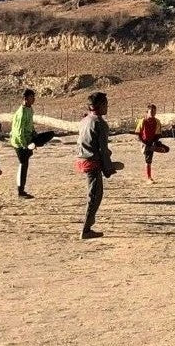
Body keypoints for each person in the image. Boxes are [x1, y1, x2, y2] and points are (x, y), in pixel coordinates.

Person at [75, 92, 122, 240]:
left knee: (95, 194)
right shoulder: (100, 123)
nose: (107, 107)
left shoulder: (84, 120)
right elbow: (102, 148)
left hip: (83, 159)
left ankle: (89, 225)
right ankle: (86, 229)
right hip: (92, 162)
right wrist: (108, 169)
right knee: (95, 196)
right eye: (106, 104)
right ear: (100, 106)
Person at [9, 88, 55, 198]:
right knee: (23, 165)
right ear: (25, 99)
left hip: (29, 139)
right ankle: (20, 192)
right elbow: (19, 131)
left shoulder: (30, 109)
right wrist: (25, 146)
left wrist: (34, 134)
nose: (34, 99)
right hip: (20, 143)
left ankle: (33, 145)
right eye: (31, 97)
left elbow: (30, 125)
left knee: (50, 134)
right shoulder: (21, 113)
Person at [135, 103, 168, 183]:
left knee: (166, 149)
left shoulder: (157, 121)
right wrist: (144, 143)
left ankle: (151, 148)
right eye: (151, 111)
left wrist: (155, 143)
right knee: (148, 160)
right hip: (145, 142)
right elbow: (138, 134)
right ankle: (149, 177)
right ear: (147, 112)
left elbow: (158, 134)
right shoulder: (142, 121)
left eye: (154, 112)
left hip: (153, 141)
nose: (153, 113)